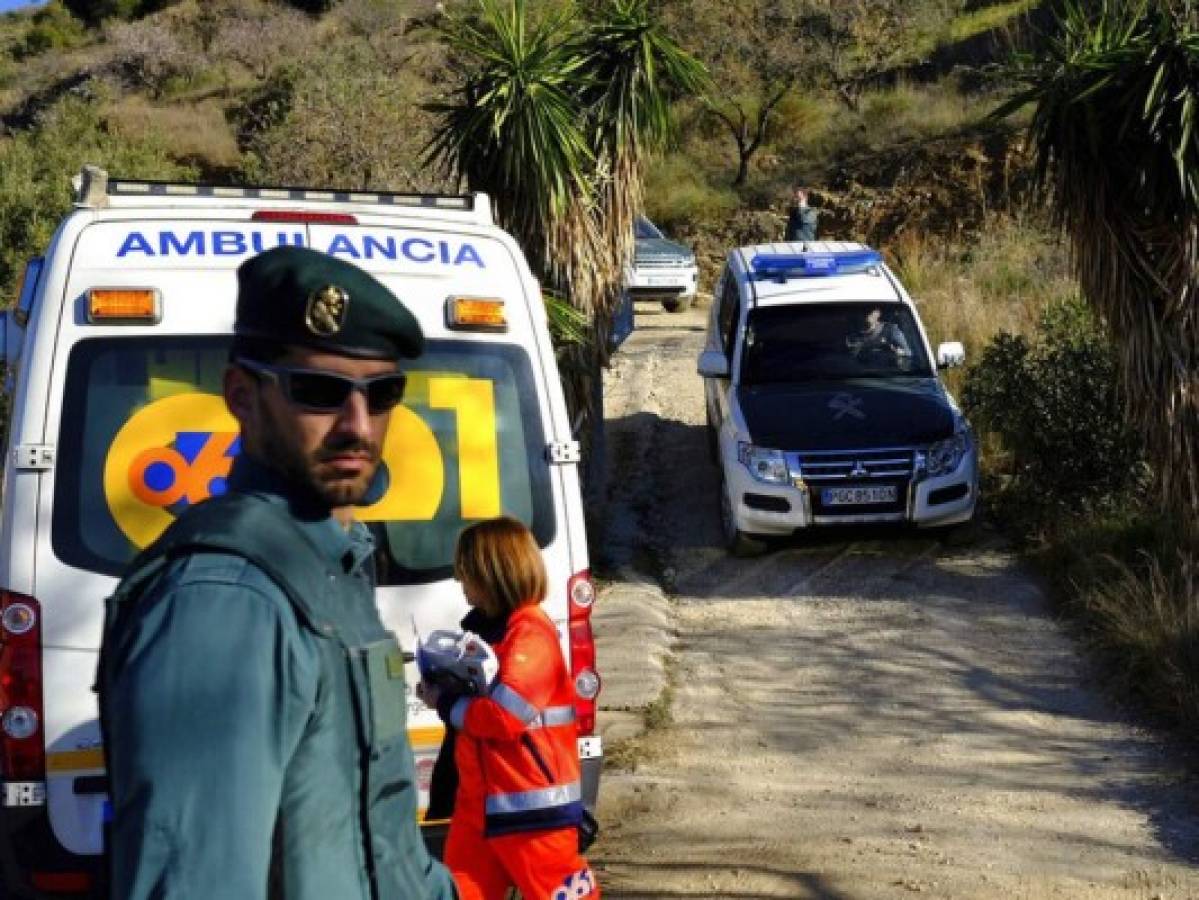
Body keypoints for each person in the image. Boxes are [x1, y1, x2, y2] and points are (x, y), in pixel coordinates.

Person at [98, 245, 457, 900]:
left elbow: (382, 851)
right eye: (317, 392)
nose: (357, 425)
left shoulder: (328, 564)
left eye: (382, 394)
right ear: (242, 395)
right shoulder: (223, 601)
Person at [419, 517, 600, 900]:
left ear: (491, 573)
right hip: (483, 810)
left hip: (534, 817)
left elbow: (504, 717)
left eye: (465, 571)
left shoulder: (530, 635)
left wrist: (446, 702)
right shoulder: (497, 632)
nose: (459, 580)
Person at [846, 305, 912, 363]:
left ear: (878, 313)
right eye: (863, 310)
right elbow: (847, 358)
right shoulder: (852, 333)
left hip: (886, 372)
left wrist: (894, 351)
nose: (866, 314)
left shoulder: (891, 330)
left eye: (870, 310)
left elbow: (908, 353)